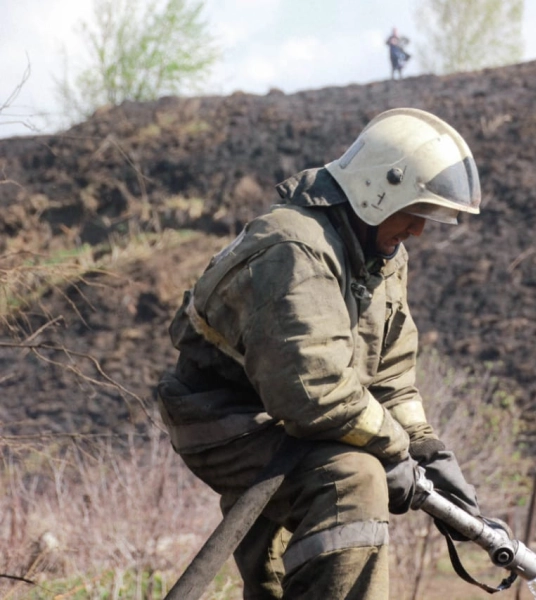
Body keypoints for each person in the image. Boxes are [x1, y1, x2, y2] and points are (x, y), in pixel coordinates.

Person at [156, 107, 483, 600]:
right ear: (379, 190)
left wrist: (426, 450)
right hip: (226, 420)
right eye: (416, 213)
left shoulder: (383, 257)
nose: (419, 230)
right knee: (352, 480)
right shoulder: (295, 247)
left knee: (286, 558)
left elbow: (391, 374)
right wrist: (395, 455)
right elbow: (317, 393)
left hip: (289, 420)